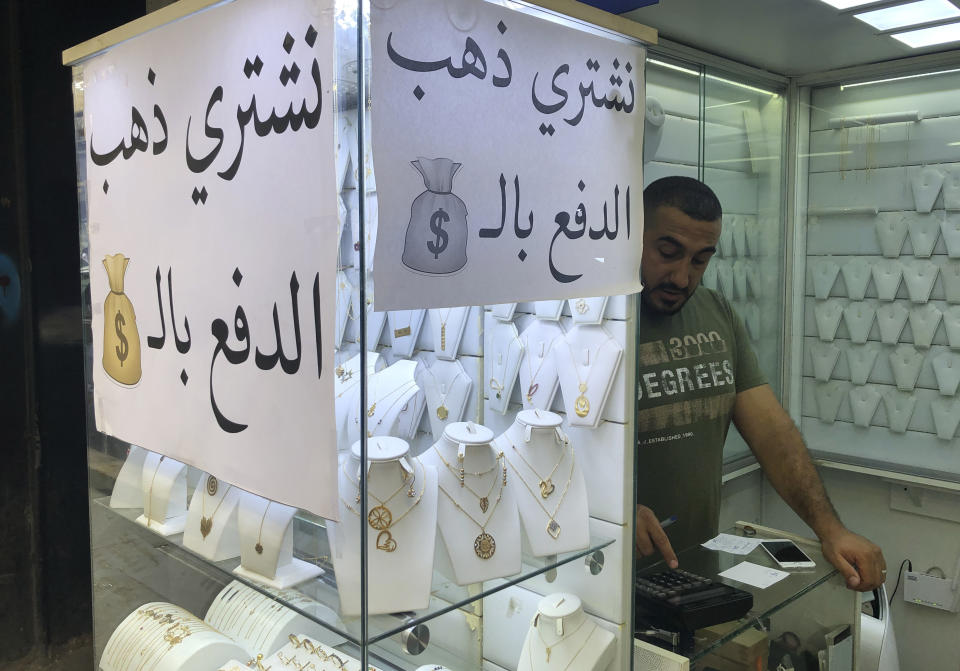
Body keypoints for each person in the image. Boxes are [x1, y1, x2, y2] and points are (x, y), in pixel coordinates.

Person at [634, 176, 885, 592]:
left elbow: (772, 432)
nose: (681, 277)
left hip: (691, 573)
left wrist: (831, 530)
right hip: (606, 583)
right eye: (667, 253)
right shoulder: (595, 324)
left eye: (699, 260)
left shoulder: (715, 313)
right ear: (631, 235)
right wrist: (610, 512)